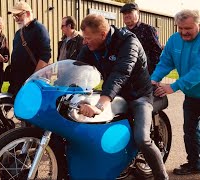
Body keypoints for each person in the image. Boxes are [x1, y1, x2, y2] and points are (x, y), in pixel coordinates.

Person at [77, 14, 168, 180]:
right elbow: (78, 69)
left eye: (88, 38)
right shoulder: (90, 47)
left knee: (142, 138)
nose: (84, 41)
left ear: (103, 34)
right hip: (115, 93)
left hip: (138, 95)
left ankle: (162, 177)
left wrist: (100, 105)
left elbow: (120, 73)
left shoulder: (128, 42)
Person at [151, 9, 200, 175]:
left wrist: (173, 86)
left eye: (188, 28)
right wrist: (154, 79)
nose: (184, 32)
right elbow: (165, 62)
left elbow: (198, 70)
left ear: (198, 24)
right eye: (180, 28)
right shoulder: (174, 40)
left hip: (192, 87)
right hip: (192, 96)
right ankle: (194, 163)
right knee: (190, 131)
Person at [8, 1, 51, 96]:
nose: (16, 19)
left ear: (27, 13)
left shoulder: (39, 29)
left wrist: (33, 79)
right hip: (18, 82)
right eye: (14, 16)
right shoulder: (18, 33)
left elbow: (45, 56)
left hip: (32, 82)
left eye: (18, 15)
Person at [120, 2, 162, 74]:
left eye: (129, 12)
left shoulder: (148, 29)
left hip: (145, 72)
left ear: (138, 14)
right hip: (127, 73)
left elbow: (156, 52)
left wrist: (153, 74)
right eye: (124, 13)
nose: (126, 15)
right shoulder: (121, 32)